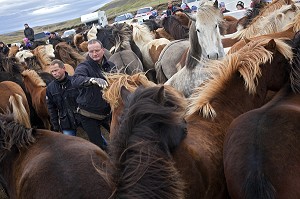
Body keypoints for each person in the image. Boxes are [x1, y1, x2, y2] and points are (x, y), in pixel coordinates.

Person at [71, 39, 115, 151]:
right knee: (99, 146)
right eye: (91, 51)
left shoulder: (110, 65)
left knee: (119, 138)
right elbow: (75, 80)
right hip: (88, 114)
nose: (94, 54)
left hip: (107, 112)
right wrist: (90, 80)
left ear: (103, 50)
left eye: (97, 50)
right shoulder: (84, 67)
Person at [46, 59, 79, 136]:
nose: (54, 73)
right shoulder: (50, 88)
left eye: (56, 70)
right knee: (69, 146)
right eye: (52, 71)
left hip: (81, 118)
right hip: (66, 122)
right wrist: (56, 126)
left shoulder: (75, 81)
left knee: (97, 139)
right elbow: (51, 108)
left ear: (63, 68)